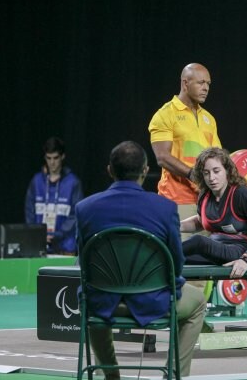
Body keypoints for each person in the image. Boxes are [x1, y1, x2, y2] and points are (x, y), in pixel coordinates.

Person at [75, 141, 206, 379]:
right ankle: (174, 375)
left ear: (110, 171)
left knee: (90, 296)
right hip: (154, 301)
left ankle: (111, 375)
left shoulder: (84, 208)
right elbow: (176, 263)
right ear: (145, 171)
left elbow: (84, 264)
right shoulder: (165, 208)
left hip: (103, 301)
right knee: (197, 302)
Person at [149, 63, 222, 238]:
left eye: (208, 84)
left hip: (208, 202)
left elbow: (218, 157)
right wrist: (194, 175)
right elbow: (162, 157)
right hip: (178, 201)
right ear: (185, 83)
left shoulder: (208, 119)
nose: (206, 88)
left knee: (207, 262)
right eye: (201, 83)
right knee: (182, 261)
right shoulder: (165, 114)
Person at [181, 147, 247, 279]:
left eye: (216, 171)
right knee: (172, 261)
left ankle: (154, 258)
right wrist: (173, 225)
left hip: (240, 250)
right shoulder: (205, 195)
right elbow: (200, 221)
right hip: (216, 250)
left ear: (227, 170)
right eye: (206, 173)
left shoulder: (243, 194)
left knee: (197, 242)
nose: (211, 178)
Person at [25, 137, 83, 255]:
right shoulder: (36, 181)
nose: (52, 162)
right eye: (49, 158)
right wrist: (37, 234)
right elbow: (29, 211)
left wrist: (56, 235)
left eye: (56, 158)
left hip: (65, 247)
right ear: (45, 157)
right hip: (40, 246)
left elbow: (76, 214)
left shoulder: (73, 182)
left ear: (63, 156)